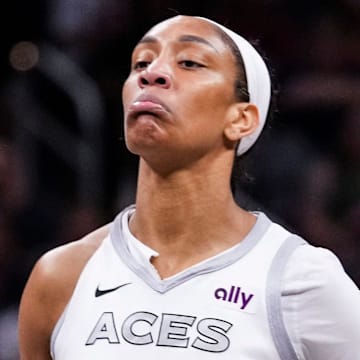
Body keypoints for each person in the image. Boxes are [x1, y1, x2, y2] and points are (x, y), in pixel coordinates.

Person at [18, 15, 360, 360]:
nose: (151, 74)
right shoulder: (61, 275)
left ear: (240, 119)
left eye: (189, 62)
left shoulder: (299, 278)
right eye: (141, 62)